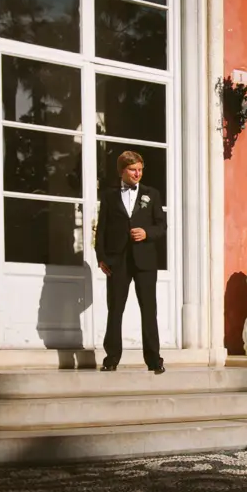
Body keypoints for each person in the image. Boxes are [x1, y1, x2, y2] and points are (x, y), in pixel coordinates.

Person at [95, 151, 166, 374]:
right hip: (117, 260)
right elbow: (102, 227)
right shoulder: (109, 195)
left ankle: (154, 360)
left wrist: (146, 233)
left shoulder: (151, 194)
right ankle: (111, 358)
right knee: (115, 309)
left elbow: (161, 226)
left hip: (145, 260)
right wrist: (101, 257)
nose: (138, 174)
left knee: (149, 309)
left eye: (140, 170)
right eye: (133, 169)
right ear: (122, 171)